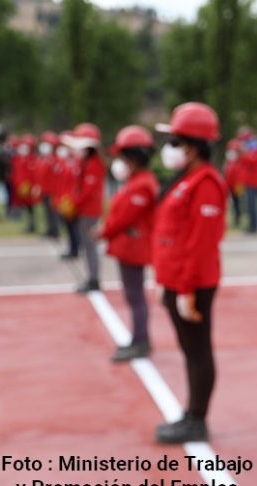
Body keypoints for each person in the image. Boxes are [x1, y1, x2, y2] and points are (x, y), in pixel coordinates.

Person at [153, 102, 227, 443]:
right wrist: (165, 281)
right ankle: (191, 413)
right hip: (177, 279)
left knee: (198, 351)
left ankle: (197, 418)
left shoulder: (206, 183)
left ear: (194, 146)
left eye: (175, 142)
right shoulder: (187, 179)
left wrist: (185, 289)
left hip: (193, 283)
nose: (169, 149)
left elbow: (200, 244)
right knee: (189, 349)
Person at [97, 125, 159, 362]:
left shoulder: (142, 184)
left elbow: (124, 218)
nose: (118, 163)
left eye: (122, 157)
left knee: (135, 296)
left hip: (134, 249)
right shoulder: (136, 182)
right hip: (128, 247)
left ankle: (140, 341)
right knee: (133, 295)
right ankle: (139, 339)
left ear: (133, 158)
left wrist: (103, 233)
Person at [62, 123, 105, 292]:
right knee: (87, 247)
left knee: (90, 246)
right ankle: (91, 278)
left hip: (89, 212)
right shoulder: (85, 162)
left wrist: (73, 203)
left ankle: (93, 280)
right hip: (84, 210)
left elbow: (87, 191)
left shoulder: (94, 165)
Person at [54, 132, 81, 260]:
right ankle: (72, 248)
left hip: (71, 200)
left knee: (74, 226)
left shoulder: (76, 162)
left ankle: (75, 249)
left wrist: (72, 199)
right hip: (64, 199)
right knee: (69, 227)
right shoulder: (63, 162)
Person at [238, 127, 257, 234]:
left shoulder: (256, 149)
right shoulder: (250, 150)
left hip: (253, 182)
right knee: (249, 205)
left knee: (252, 205)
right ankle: (251, 225)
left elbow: (250, 161)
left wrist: (243, 153)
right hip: (248, 181)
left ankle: (254, 226)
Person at [11, 134, 40, 233]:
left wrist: (33, 186)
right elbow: (17, 172)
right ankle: (30, 225)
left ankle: (33, 225)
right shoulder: (19, 158)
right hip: (22, 187)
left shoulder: (33, 159)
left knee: (31, 208)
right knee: (26, 207)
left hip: (29, 187)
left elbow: (34, 174)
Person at [35, 131, 61, 238]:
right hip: (45, 190)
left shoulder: (54, 160)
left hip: (51, 191)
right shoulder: (44, 159)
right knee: (47, 212)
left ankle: (54, 231)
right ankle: (50, 230)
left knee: (52, 212)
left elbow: (56, 178)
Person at [223, 139, 244, 228]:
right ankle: (233, 219)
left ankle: (237, 219)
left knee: (237, 202)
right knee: (230, 203)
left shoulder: (240, 162)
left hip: (238, 184)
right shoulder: (229, 162)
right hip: (229, 184)